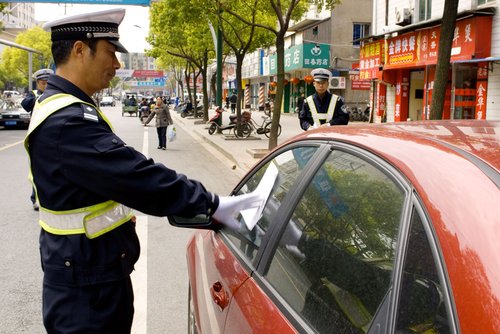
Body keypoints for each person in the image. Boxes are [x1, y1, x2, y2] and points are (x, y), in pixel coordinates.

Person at [27, 9, 260, 333]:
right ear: (80, 50)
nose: (117, 65)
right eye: (110, 53)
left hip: (86, 276)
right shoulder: (69, 121)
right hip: (87, 296)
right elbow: (135, 175)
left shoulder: (65, 106)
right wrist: (211, 204)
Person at [22, 68, 54, 211]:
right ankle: (35, 199)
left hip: (54, 135)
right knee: (37, 170)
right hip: (37, 137)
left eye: (48, 83)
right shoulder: (33, 95)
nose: (45, 86)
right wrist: (41, 97)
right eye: (42, 83)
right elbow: (26, 105)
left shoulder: (58, 94)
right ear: (37, 83)